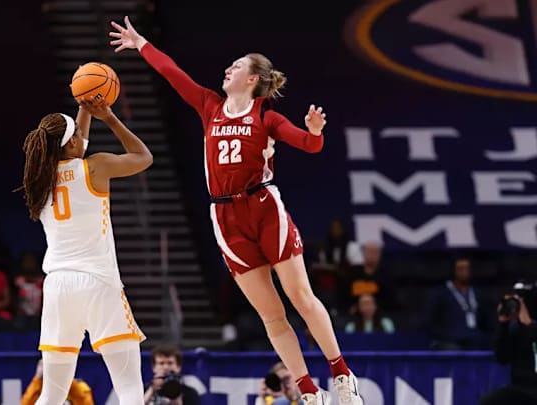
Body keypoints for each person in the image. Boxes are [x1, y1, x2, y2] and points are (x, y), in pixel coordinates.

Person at [108, 16, 362, 405]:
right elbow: (172, 73)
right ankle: (309, 392)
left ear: (253, 79)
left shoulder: (266, 115)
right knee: (271, 315)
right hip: (226, 218)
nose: (228, 68)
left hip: (263, 206)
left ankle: (342, 374)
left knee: (300, 296)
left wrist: (314, 131)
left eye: (237, 65)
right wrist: (141, 43)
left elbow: (311, 147)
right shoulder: (210, 105)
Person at [17, 96, 153, 405]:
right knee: (129, 388)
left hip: (57, 286)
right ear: (71, 144)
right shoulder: (97, 166)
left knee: (51, 395)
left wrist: (83, 107)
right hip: (97, 282)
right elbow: (143, 157)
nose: (82, 135)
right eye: (76, 134)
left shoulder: (39, 180)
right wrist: (109, 117)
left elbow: (76, 142)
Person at [478, 288, 537, 404]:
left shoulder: (529, 328)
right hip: (519, 388)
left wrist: (528, 325)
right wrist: (503, 324)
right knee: (488, 401)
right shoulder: (517, 329)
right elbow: (502, 358)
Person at [20, 359, 94, 405]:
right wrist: (38, 378)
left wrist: (67, 377)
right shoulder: (38, 389)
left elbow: (85, 402)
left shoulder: (80, 387)